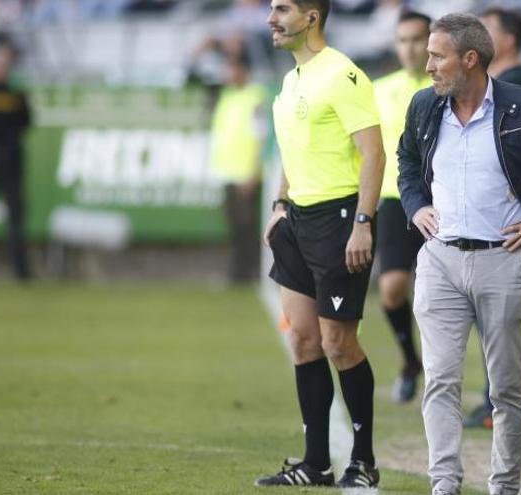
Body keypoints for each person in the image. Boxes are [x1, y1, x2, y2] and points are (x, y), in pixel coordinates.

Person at [397, 14, 521, 495]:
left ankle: (504, 485)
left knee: (507, 387)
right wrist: (415, 205)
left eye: (436, 55)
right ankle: (444, 483)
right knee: (440, 380)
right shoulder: (424, 106)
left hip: (503, 261)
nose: (427, 65)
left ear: (469, 60)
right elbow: (406, 160)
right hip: (440, 261)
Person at [256, 0, 384, 488]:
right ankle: (316, 464)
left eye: (282, 8)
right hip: (298, 221)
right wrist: (280, 205)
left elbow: (373, 153)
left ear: (311, 17)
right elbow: (293, 151)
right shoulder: (290, 82)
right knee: (303, 340)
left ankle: (364, 461)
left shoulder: (343, 75)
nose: (272, 18)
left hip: (338, 219)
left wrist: (363, 222)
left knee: (338, 343)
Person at [461, 5, 521, 436]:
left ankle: (520, 408)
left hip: (505, 220)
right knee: (494, 316)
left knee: (499, 318)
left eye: (487, 29)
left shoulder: (514, 84)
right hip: (496, 217)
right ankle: (504, 403)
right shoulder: (509, 81)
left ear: (508, 39)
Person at [373, 9, 432, 404]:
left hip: (441, 201)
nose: (409, 48)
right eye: (403, 40)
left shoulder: (446, 86)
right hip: (395, 201)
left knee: (449, 298)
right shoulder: (379, 89)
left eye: (416, 39)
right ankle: (412, 362)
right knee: (392, 289)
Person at [210, 54, 266, 283]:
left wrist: (252, 172)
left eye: (232, 69)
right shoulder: (227, 97)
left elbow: (260, 136)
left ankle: (249, 272)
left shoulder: (255, 97)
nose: (227, 75)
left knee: (246, 226)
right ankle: (237, 273)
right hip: (227, 172)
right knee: (233, 226)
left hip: (245, 173)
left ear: (244, 71)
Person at [0, 41, 31, 281]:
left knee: (15, 221)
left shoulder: (16, 94)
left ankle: (20, 272)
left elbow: (26, 123)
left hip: (11, 165)